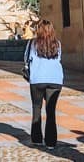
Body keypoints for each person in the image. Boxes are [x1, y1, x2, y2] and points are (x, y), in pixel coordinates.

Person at [24, 18, 63, 149]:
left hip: (37, 79)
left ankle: (37, 139)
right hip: (55, 80)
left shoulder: (32, 44)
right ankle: (51, 141)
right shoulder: (57, 44)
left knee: (36, 108)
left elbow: (26, 59)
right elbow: (59, 58)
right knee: (51, 111)